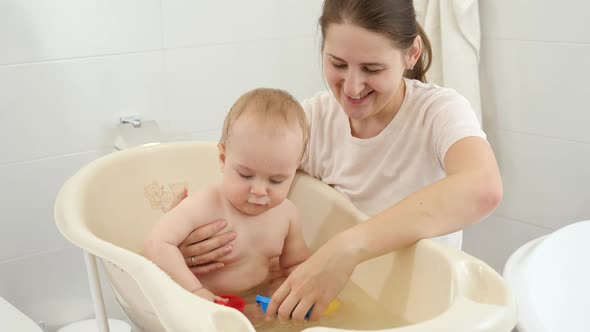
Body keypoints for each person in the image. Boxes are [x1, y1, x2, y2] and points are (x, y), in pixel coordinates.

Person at [177, 0, 502, 321]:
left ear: (411, 53)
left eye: (372, 69)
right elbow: (241, 187)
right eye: (338, 64)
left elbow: (482, 187)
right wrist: (201, 237)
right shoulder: (313, 120)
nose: (352, 86)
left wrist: (345, 250)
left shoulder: (437, 113)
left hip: (420, 309)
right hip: (339, 301)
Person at [143, 88, 311, 302]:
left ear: (294, 170)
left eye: (276, 180)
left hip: (255, 301)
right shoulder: (205, 205)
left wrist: (289, 290)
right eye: (245, 175)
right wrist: (196, 292)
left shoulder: (287, 215)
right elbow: (156, 244)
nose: (259, 190)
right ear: (223, 158)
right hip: (201, 304)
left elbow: (296, 264)